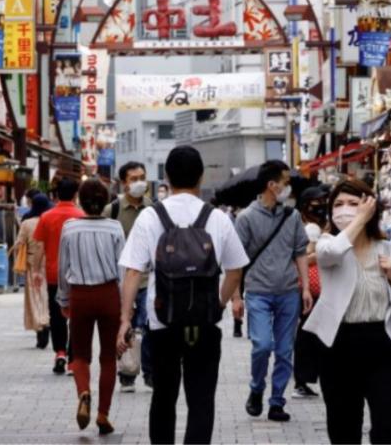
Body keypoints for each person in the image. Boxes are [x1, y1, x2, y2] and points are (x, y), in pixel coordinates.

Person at [117, 146, 249, 445]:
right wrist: (217, 304)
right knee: (201, 400)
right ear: (201, 177)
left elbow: (133, 273)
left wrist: (125, 319)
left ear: (166, 177)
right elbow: (235, 272)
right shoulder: (217, 218)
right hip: (204, 323)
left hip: (163, 322)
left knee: (163, 398)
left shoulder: (150, 217)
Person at [304, 179, 391, 444]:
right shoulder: (327, 244)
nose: (344, 210)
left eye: (353, 204)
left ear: (369, 207)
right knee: (343, 427)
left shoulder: (390, 249)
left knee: (387, 428)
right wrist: (359, 219)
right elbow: (331, 252)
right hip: (337, 345)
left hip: (381, 345)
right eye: (338, 204)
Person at [233, 160, 313, 423]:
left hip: (289, 292)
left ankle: (277, 401)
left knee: (284, 351)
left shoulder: (291, 216)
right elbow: (235, 260)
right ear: (272, 185)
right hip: (257, 293)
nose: (289, 187)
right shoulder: (246, 218)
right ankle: (257, 388)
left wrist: (305, 288)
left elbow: (300, 252)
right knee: (262, 346)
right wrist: (236, 297)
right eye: (286, 182)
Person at [57, 179, 125, 434]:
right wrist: (125, 308)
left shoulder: (70, 228)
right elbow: (122, 268)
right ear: (105, 200)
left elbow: (64, 268)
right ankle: (102, 414)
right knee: (108, 357)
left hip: (80, 295)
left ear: (80, 200)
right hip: (108, 295)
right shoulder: (115, 228)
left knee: (80, 355)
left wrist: (64, 301)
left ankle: (84, 392)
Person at [102, 161, 153, 392]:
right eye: (134, 179)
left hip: (148, 279)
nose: (140, 182)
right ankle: (127, 374)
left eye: (142, 177)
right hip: (121, 281)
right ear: (124, 183)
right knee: (126, 327)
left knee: (149, 327)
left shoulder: (153, 208)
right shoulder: (111, 211)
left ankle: (150, 373)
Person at [33, 178, 84, 375]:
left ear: (56, 195)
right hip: (77, 276)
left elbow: (39, 246)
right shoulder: (81, 216)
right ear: (75, 195)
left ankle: (60, 352)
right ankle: (73, 359)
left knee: (57, 316)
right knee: (76, 317)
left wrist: (37, 271)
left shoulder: (46, 217)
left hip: (54, 274)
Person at [292, 186, 328, 399]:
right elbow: (308, 256)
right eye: (317, 202)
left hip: (306, 286)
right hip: (311, 287)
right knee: (308, 333)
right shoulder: (311, 227)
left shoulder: (301, 224)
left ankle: (304, 378)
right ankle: (302, 379)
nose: (321, 205)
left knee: (308, 333)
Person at [13, 194, 51, 350]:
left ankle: (41, 325)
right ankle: (47, 319)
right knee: (47, 295)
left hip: (31, 265)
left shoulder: (27, 223)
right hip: (49, 263)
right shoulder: (49, 221)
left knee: (35, 298)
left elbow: (18, 243)